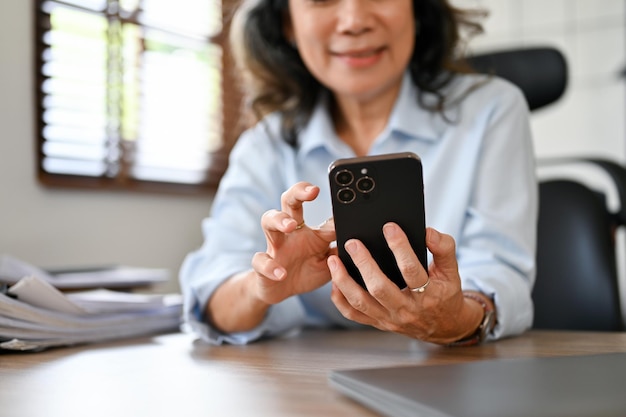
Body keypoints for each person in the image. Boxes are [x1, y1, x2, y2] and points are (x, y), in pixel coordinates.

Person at [179, 0, 537, 346]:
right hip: (310, 378)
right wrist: (261, 287)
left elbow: (499, 271)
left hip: (452, 371)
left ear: (417, 9)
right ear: (287, 23)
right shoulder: (267, 142)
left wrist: (455, 319)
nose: (354, 20)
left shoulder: (492, 109)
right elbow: (209, 291)